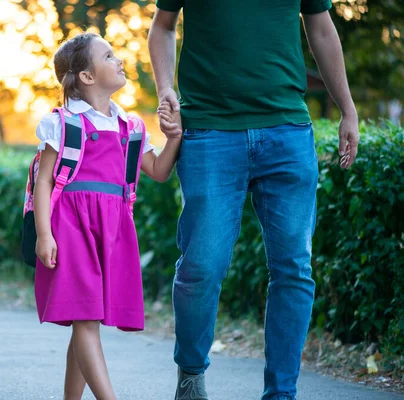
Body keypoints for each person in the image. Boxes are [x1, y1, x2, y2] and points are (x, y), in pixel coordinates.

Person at [147, 1, 360, 399]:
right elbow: (162, 27)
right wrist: (165, 89)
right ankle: (191, 374)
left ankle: (281, 393)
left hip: (287, 132)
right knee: (202, 264)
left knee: (294, 268)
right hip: (210, 130)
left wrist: (348, 109)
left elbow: (322, 29)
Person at [32, 32, 182, 400]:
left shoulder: (129, 127)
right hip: (71, 227)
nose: (120, 60)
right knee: (85, 318)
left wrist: (174, 136)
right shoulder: (64, 123)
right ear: (86, 76)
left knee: (87, 318)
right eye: (110, 55)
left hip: (112, 229)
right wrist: (44, 235)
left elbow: (159, 171)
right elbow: (44, 181)